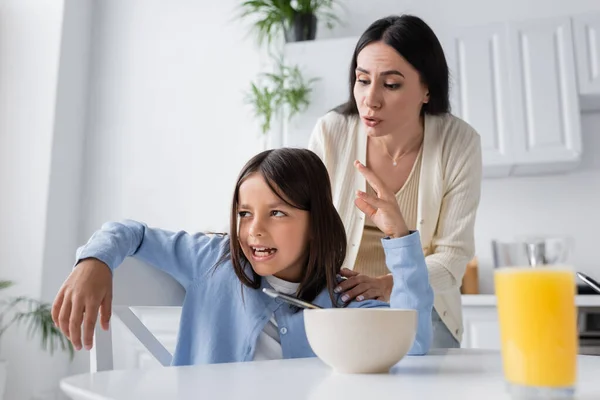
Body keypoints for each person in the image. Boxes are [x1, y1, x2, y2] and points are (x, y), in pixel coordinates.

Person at [51, 148, 434, 365]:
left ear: (316, 223)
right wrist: (93, 262)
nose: (254, 230)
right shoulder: (211, 259)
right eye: (244, 213)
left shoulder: (340, 298)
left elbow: (414, 346)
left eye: (278, 212)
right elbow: (130, 232)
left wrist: (399, 237)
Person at [308, 14, 482, 348]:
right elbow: (304, 225)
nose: (370, 100)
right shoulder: (331, 132)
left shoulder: (459, 143)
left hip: (424, 310)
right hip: (340, 307)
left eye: (391, 85)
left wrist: (393, 284)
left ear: (427, 89)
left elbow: (453, 258)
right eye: (362, 80)